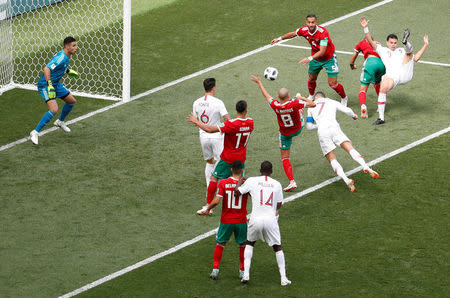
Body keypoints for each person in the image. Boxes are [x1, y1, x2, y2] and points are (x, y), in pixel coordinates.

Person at [250, 75, 315, 191]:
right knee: (299, 111)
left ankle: (292, 182)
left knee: (285, 157)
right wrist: (302, 98)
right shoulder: (294, 103)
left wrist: (259, 83)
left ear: (278, 97)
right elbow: (313, 104)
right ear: (288, 96)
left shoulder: (275, 105)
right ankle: (301, 112)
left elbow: (266, 95)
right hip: (297, 129)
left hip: (285, 133)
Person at [188, 100, 254, 215]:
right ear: (246, 110)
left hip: (227, 158)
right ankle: (240, 207)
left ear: (236, 110)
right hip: (241, 158)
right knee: (239, 182)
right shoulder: (250, 122)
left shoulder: (231, 124)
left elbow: (209, 129)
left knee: (214, 178)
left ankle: (208, 206)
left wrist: (196, 121)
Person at [360, 17, 429, 125]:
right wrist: (365, 28)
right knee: (382, 88)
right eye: (391, 42)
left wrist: (425, 45)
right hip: (393, 76)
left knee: (409, 54)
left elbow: (416, 58)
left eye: (395, 43)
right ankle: (381, 118)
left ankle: (406, 42)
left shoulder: (400, 50)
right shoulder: (382, 50)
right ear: (387, 42)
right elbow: (370, 41)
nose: (393, 44)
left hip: (405, 73)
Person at [306, 92, 379, 192]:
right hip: (334, 127)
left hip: (322, 131)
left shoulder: (311, 107)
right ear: (324, 97)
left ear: (316, 98)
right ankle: (365, 166)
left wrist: (319, 125)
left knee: (332, 158)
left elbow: (309, 126)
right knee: (349, 148)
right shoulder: (331, 101)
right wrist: (354, 116)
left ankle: (346, 179)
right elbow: (347, 110)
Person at [270, 14, 349, 106]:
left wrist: (309, 58)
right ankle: (311, 96)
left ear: (316, 22)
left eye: (313, 22)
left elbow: (322, 51)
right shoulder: (304, 30)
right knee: (312, 78)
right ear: (306, 22)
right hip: (316, 59)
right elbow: (292, 34)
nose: (311, 24)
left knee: (333, 84)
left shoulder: (323, 33)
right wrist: (279, 39)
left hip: (328, 59)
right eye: (309, 22)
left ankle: (344, 98)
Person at [235, 160, 291, 286]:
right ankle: (283, 278)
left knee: (249, 243)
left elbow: (237, 192)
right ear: (271, 171)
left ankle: (246, 275)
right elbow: (279, 205)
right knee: (277, 247)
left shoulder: (252, 181)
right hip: (271, 219)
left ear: (260, 170)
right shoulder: (277, 184)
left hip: (255, 219)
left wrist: (241, 180)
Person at [198, 160, 249, 280]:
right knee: (243, 245)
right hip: (241, 221)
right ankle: (242, 271)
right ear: (242, 170)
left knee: (220, 243)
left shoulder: (223, 183)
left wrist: (207, 209)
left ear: (231, 169)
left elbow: (216, 201)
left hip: (226, 220)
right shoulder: (246, 183)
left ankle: (215, 270)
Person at [30, 36, 79, 145]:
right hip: (45, 85)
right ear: (67, 46)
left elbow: (59, 67)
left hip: (56, 84)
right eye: (74, 45)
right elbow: (46, 69)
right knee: (54, 109)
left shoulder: (67, 55)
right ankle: (35, 132)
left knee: (71, 101)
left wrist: (68, 71)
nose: (76, 48)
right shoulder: (61, 57)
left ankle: (60, 122)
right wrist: (49, 85)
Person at [193, 78, 231, 189]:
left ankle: (210, 189)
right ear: (213, 88)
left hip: (203, 136)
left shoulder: (196, 102)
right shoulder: (218, 102)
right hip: (216, 136)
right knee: (221, 163)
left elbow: (196, 121)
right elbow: (227, 119)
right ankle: (223, 189)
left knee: (209, 162)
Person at [349, 38, 386, 118]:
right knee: (377, 83)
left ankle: (363, 106)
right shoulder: (377, 43)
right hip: (381, 64)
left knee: (363, 89)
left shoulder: (361, 43)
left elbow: (354, 55)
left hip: (370, 63)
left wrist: (352, 65)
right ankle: (380, 106)